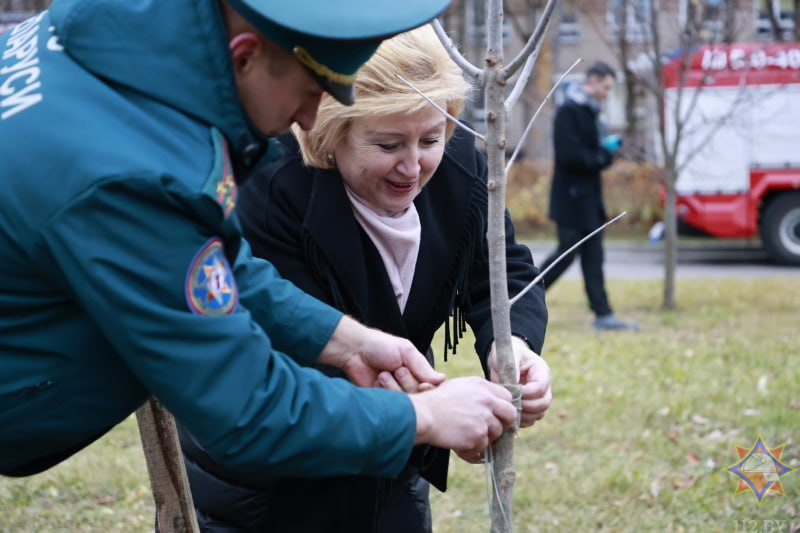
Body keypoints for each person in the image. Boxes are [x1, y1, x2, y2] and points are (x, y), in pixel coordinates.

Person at [0, 0, 520, 486]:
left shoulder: (106, 55)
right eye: (312, 91)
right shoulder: (127, 177)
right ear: (246, 55)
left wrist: (344, 339)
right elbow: (245, 407)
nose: (315, 120)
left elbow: (203, 266)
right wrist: (421, 416)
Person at [180, 25, 552, 532]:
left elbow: (503, 271)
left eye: (430, 138)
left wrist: (515, 349)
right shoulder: (270, 184)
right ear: (332, 130)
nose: (413, 165)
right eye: (387, 143)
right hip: (271, 481)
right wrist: (437, 414)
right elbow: (282, 349)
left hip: (393, 469)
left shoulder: (463, 168)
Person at [540, 61, 638, 331]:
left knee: (594, 257)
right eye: (606, 87)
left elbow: (585, 153)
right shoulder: (569, 112)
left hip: (589, 201)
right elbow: (571, 157)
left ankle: (603, 314)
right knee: (565, 255)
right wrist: (604, 155)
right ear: (592, 82)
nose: (608, 93)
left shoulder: (591, 113)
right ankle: (524, 299)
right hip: (571, 201)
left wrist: (602, 151)